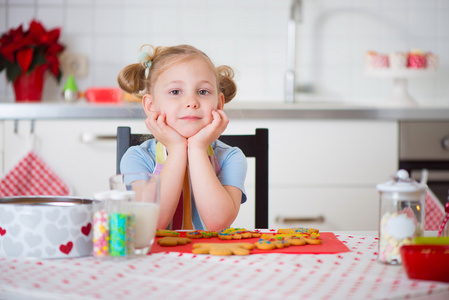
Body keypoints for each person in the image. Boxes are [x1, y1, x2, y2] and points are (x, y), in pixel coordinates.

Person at [117, 44, 247, 231]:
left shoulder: (231, 158)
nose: (191, 102)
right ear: (151, 105)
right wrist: (177, 150)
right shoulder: (137, 157)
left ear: (219, 103)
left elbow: (218, 223)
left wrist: (198, 148)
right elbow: (153, 223)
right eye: (175, 92)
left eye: (203, 92)